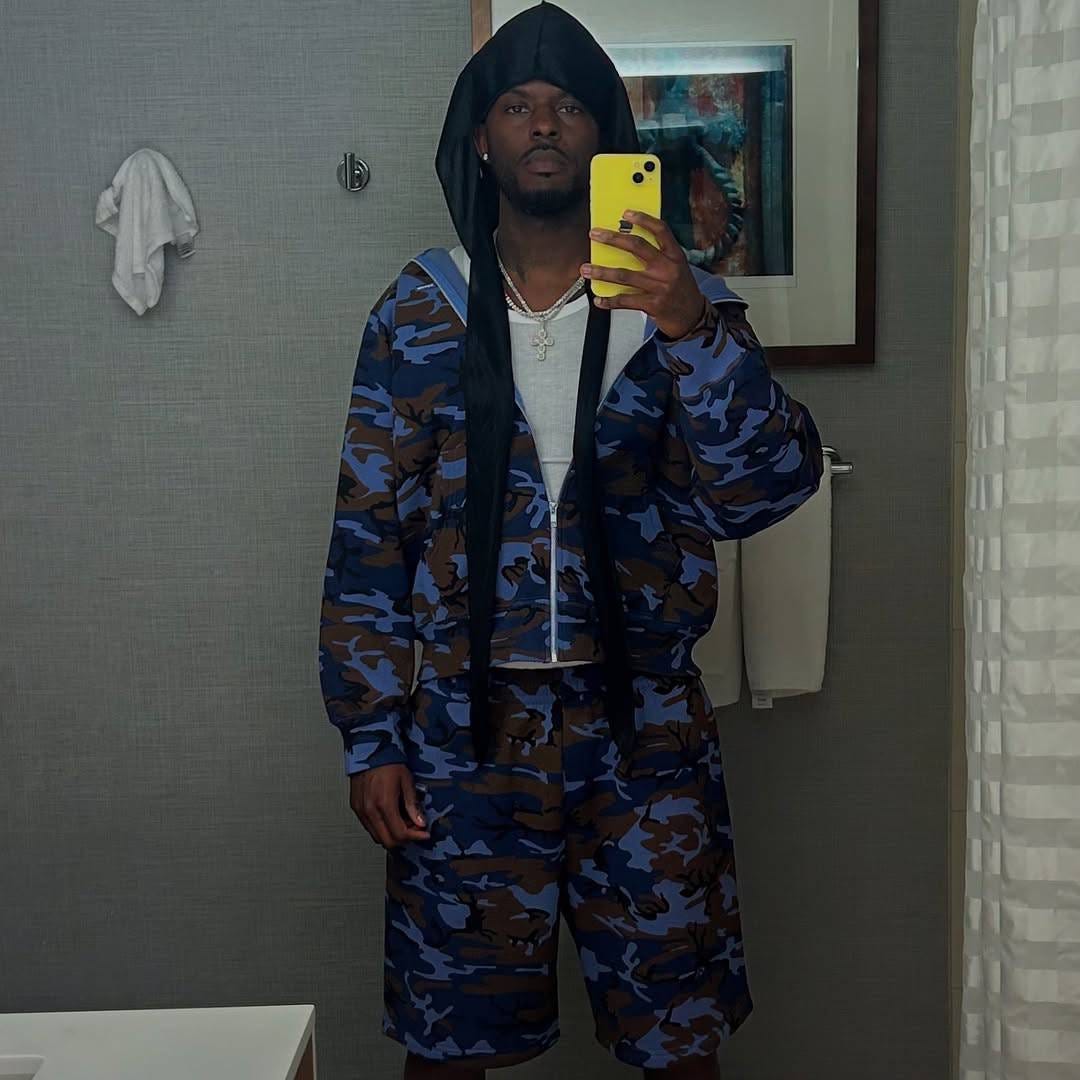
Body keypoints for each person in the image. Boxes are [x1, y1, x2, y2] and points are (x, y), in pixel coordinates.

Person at [318, 4, 824, 1077]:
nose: (543, 124)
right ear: (482, 139)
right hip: (462, 735)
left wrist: (691, 327)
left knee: (677, 1039)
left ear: (606, 137)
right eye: (517, 105)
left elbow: (767, 489)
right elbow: (368, 537)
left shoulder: (679, 306)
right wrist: (372, 738)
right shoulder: (418, 313)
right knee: (448, 1044)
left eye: (568, 107)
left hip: (643, 734)